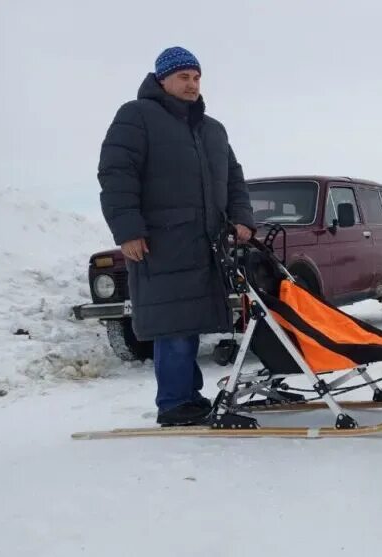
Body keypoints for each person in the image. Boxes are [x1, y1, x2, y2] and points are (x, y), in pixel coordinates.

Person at [97, 47, 256, 426]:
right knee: (173, 325)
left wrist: (242, 218)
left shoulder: (212, 128)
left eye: (196, 77)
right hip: (161, 242)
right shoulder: (136, 117)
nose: (191, 84)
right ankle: (173, 404)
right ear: (162, 79)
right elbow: (116, 174)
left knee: (191, 321)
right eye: (183, 77)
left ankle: (189, 396)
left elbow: (234, 179)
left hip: (205, 243)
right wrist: (129, 231)